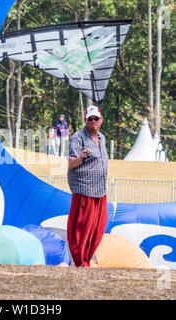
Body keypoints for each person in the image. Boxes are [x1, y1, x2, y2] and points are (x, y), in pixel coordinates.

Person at [67, 106, 108, 267]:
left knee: (97, 229)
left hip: (100, 190)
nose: (93, 122)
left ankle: (86, 260)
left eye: (96, 119)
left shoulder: (102, 137)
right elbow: (71, 164)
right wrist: (81, 157)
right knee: (81, 229)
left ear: (101, 120)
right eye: (90, 119)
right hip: (85, 189)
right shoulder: (78, 138)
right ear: (85, 121)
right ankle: (80, 261)